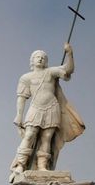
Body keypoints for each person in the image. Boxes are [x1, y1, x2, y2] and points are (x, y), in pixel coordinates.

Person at [10, 43, 84, 176]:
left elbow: (68, 70)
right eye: (37, 57)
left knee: (47, 137)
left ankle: (42, 166)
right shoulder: (26, 78)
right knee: (29, 135)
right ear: (32, 61)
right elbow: (21, 98)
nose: (40, 59)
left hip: (52, 107)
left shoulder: (50, 72)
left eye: (43, 57)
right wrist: (19, 116)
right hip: (35, 108)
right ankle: (20, 164)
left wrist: (69, 54)